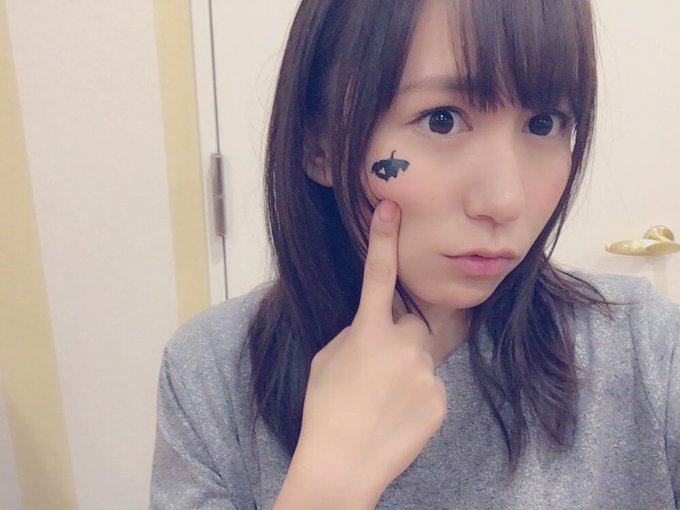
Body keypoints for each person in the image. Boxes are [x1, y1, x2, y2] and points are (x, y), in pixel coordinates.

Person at [150, 0, 680, 508]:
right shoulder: (213, 371)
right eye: (441, 120)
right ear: (320, 146)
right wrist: (330, 483)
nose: (505, 201)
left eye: (544, 123)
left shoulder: (648, 348)